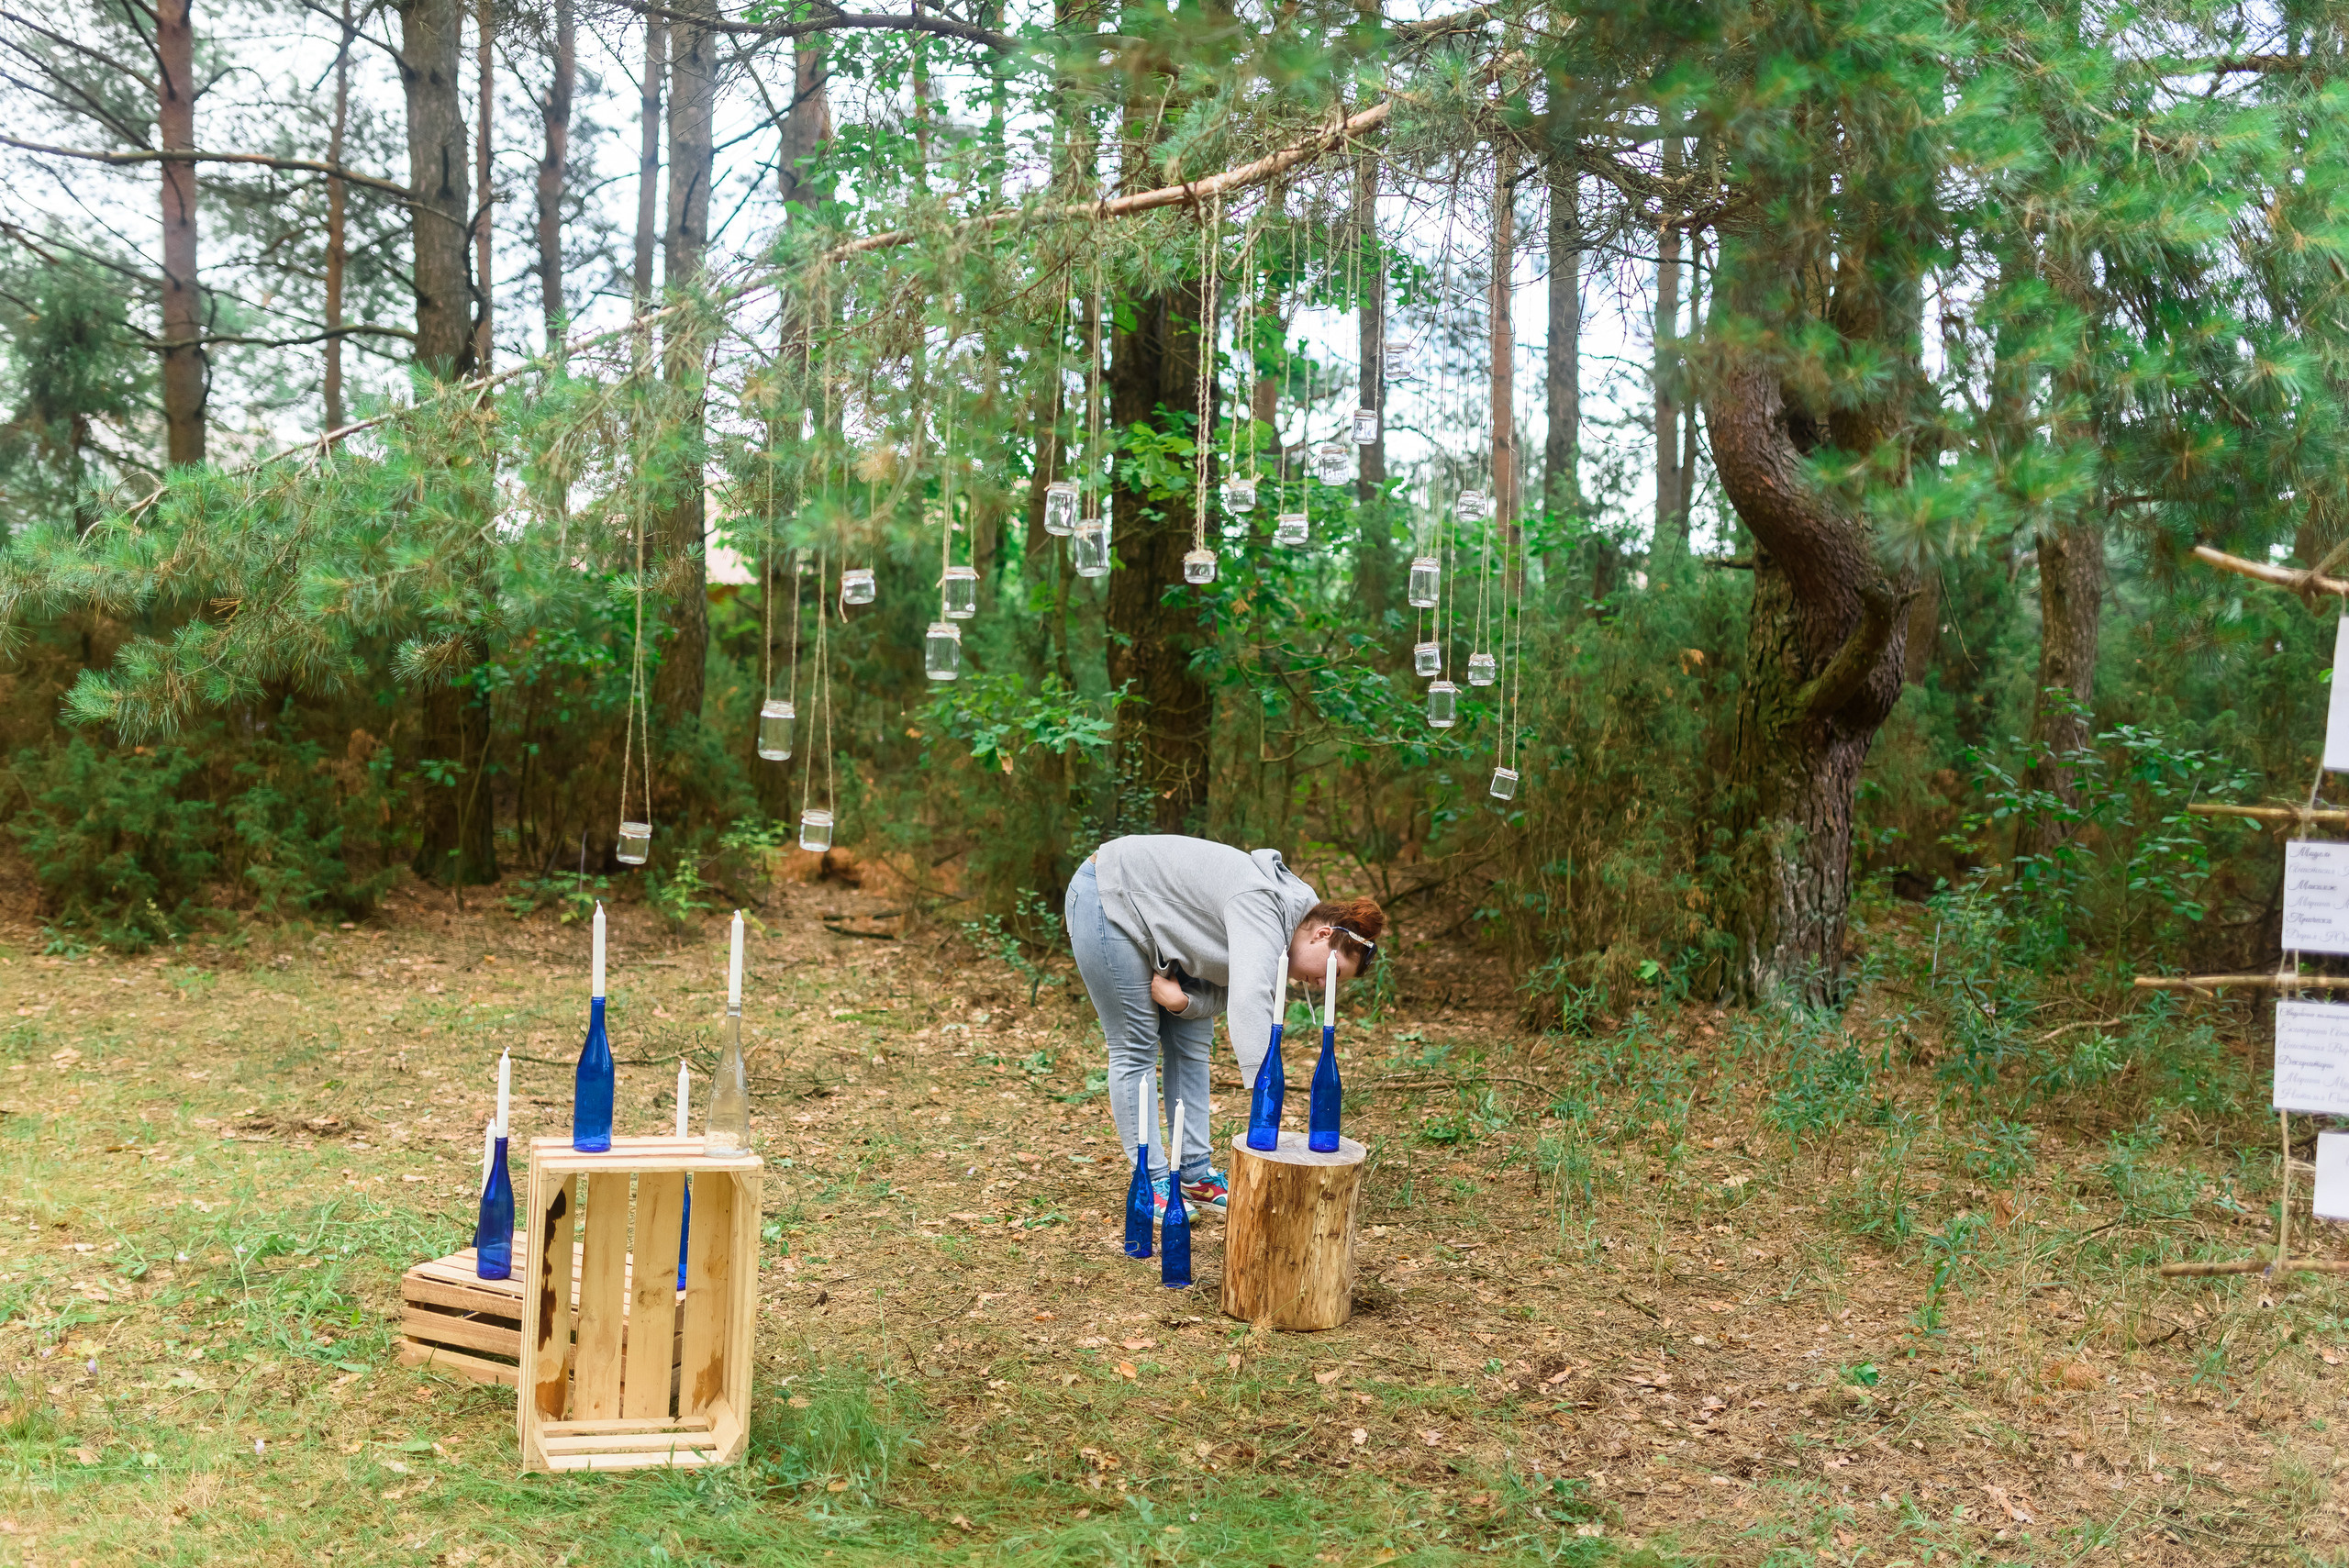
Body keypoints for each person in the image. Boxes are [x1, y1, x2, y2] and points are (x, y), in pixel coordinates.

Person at [1065, 834, 1385, 1212]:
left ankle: (1194, 1174)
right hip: (1110, 895)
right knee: (1135, 1046)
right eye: (1330, 973)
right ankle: (1149, 1181)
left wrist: (1186, 1001)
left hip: (1172, 933)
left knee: (1192, 1049)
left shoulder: (1282, 934)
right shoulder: (1262, 904)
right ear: (1322, 934)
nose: (1320, 985)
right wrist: (1265, 1086)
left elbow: (1229, 988)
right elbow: (1250, 994)